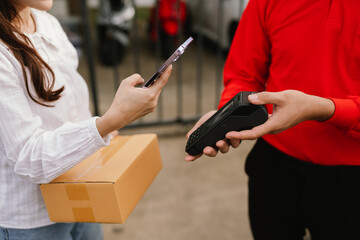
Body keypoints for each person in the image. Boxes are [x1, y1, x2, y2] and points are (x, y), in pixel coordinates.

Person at [186, 0, 360, 239]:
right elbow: (244, 74)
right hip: (274, 167)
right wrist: (228, 114)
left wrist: (325, 109)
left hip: (352, 177)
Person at [0, 0, 172, 239]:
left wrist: (98, 131)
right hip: (32, 222)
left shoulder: (46, 22)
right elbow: (27, 157)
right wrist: (105, 124)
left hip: (80, 191)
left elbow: (69, 105)